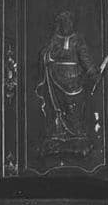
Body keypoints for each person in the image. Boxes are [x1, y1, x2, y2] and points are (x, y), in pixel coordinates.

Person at [35, 11, 98, 156]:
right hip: (54, 79)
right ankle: (58, 135)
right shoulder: (55, 39)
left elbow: (85, 58)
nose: (66, 25)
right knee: (57, 108)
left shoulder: (77, 40)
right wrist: (48, 55)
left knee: (74, 108)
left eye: (69, 22)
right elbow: (45, 54)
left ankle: (77, 134)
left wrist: (92, 72)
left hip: (74, 79)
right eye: (63, 23)